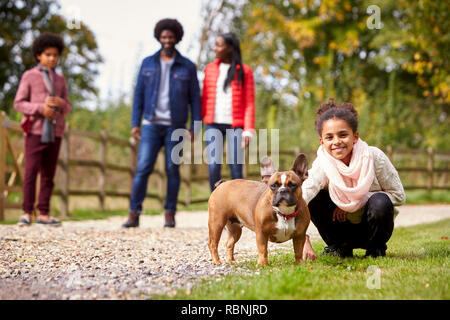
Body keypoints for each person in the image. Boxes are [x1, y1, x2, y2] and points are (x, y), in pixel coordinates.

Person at [302, 98, 406, 258]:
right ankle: (338, 247)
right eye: (329, 137)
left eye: (343, 135)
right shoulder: (322, 164)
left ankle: (376, 249)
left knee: (380, 200)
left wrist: (352, 204)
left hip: (371, 227)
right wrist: (304, 239)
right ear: (322, 142)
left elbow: (398, 195)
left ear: (355, 136)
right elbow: (302, 196)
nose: (337, 141)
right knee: (315, 197)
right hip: (340, 228)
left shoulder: (374, 156)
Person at [122, 18, 201, 228]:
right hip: (150, 124)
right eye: (164, 36)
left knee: (172, 169)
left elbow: (195, 98)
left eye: (171, 36)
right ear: (159, 37)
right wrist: (135, 123)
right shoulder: (147, 63)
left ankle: (169, 213)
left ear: (177, 38)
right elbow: (138, 94)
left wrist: (195, 127)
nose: (167, 39)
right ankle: (134, 213)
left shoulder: (188, 66)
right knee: (143, 168)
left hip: (175, 126)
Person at [14, 32, 71, 226]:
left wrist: (60, 103)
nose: (52, 58)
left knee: (49, 174)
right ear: (39, 55)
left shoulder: (61, 80)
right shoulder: (29, 76)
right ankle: (27, 212)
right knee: (31, 172)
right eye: (48, 54)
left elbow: (68, 107)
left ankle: (44, 213)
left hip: (56, 132)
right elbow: (19, 103)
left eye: (55, 55)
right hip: (35, 131)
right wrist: (40, 108)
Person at [201, 33, 255, 192]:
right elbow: (204, 97)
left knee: (236, 167)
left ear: (230, 48)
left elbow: (249, 102)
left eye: (219, 45)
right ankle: (216, 203)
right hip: (212, 124)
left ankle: (239, 206)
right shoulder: (209, 69)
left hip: (235, 126)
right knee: (213, 166)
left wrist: (248, 131)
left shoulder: (245, 71)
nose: (215, 48)